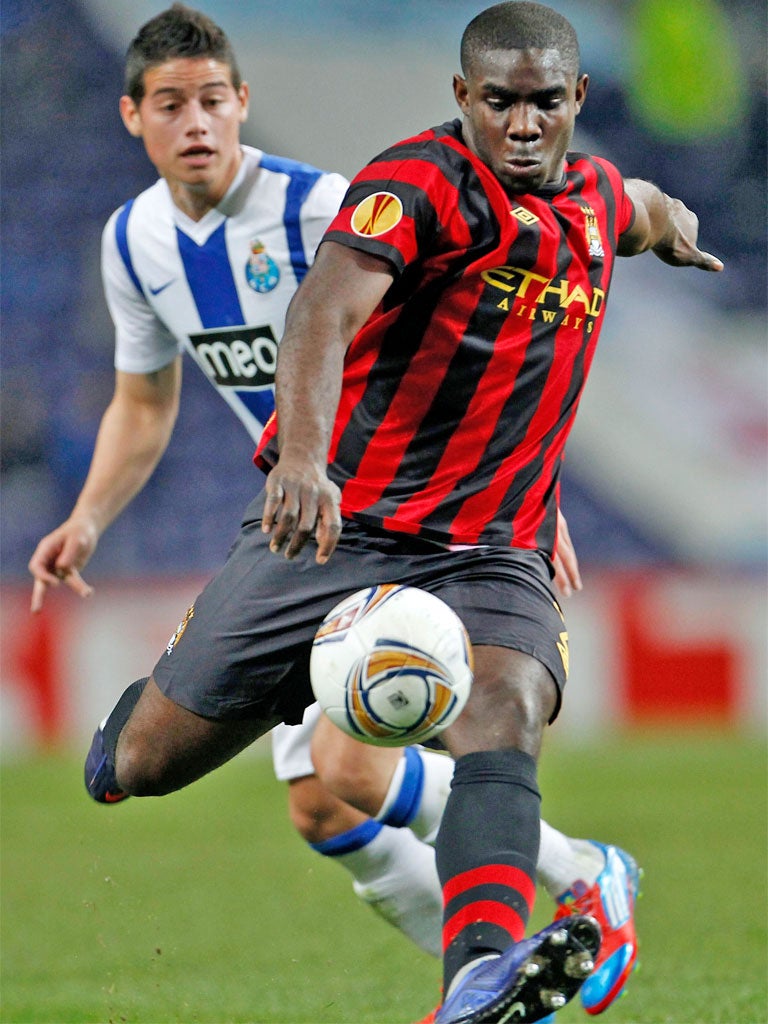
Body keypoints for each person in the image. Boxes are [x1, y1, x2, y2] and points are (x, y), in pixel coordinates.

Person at [27, 2, 714, 1019]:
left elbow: (645, 206)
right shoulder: (418, 185)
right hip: (339, 524)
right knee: (132, 765)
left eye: (541, 103)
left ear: (577, 99)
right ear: (461, 99)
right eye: (498, 103)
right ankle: (207, 690)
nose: (521, 124)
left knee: (503, 709)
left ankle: (482, 966)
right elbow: (322, 310)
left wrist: (681, 230)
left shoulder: (602, 198)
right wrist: (301, 456)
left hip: (493, 548)